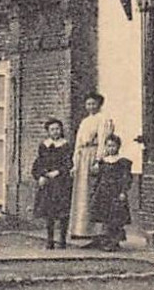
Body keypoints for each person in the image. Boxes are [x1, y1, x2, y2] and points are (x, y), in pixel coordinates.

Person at [67, 92, 114, 244]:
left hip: (93, 155)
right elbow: (78, 143)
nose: (91, 107)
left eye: (93, 104)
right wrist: (75, 162)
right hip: (83, 157)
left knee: (93, 191)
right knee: (82, 192)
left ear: (99, 104)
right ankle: (81, 230)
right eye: (88, 104)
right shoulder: (85, 121)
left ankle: (95, 231)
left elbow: (103, 141)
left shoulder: (103, 119)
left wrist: (98, 160)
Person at [31, 118, 74, 249]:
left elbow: (69, 163)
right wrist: (41, 175)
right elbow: (39, 163)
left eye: (57, 129)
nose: (55, 132)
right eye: (52, 129)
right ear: (48, 132)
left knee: (62, 212)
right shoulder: (44, 146)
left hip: (62, 183)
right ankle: (49, 240)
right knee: (49, 212)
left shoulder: (66, 145)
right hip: (48, 183)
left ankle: (62, 240)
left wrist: (59, 171)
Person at [87, 134, 134, 251]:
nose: (111, 148)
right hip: (103, 192)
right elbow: (97, 177)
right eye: (108, 146)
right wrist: (94, 191)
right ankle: (106, 239)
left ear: (118, 147)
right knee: (105, 216)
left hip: (116, 192)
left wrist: (123, 191)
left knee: (116, 216)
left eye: (113, 146)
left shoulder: (122, 162)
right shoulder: (103, 162)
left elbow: (126, 178)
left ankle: (115, 240)